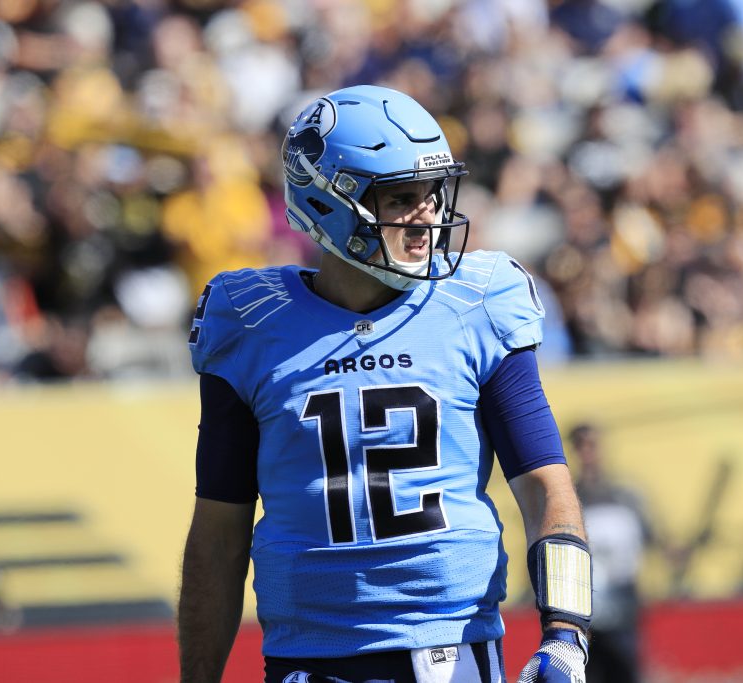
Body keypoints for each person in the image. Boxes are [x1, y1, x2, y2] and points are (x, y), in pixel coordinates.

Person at [177, 85, 594, 683]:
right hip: (307, 661)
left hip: (451, 654)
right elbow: (219, 531)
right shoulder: (251, 322)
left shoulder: (478, 303)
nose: (428, 215)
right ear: (327, 202)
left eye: (432, 193)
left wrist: (567, 635)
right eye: (402, 197)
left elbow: (546, 488)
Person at [569, 423, 652, 683]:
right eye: (581, 446)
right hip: (582, 614)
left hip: (623, 610)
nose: (588, 453)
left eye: (592, 445)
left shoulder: (626, 497)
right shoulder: (568, 500)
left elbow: (651, 539)